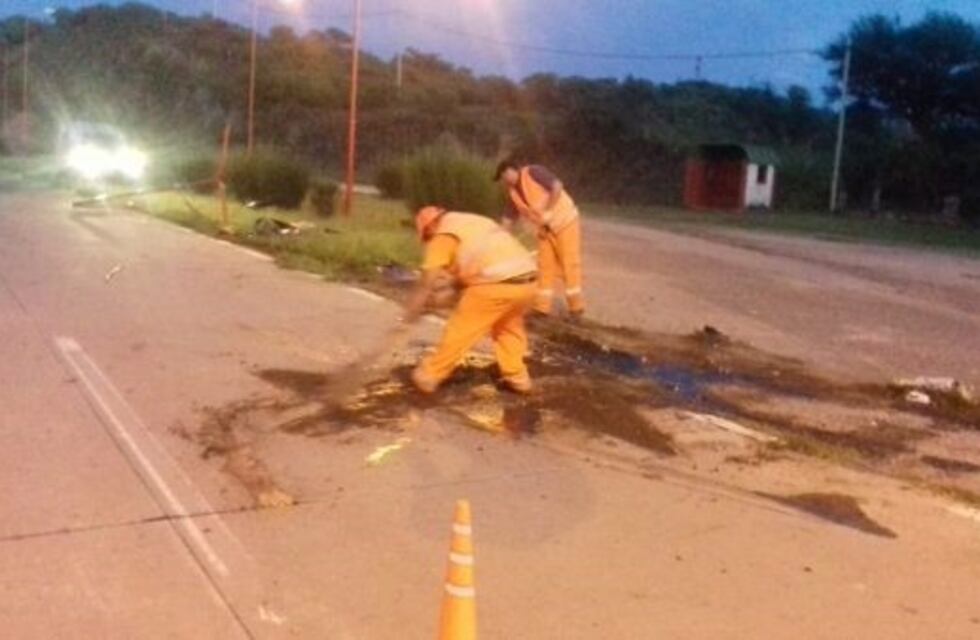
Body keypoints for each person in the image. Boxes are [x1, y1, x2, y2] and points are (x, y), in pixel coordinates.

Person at [404, 206, 538, 395]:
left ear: (429, 228)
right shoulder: (471, 222)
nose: (428, 242)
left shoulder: (442, 236)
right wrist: (444, 295)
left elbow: (426, 284)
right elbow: (475, 268)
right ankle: (518, 379)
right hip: (527, 281)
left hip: (495, 286)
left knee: (461, 329)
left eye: (427, 238)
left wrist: (411, 312)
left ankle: (429, 375)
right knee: (508, 328)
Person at [494, 160, 584, 317]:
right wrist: (498, 238)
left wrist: (548, 211)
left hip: (565, 222)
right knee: (544, 267)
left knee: (569, 263)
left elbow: (557, 186)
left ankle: (576, 309)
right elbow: (508, 220)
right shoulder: (513, 194)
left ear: (510, 170)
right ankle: (541, 308)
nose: (503, 181)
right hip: (545, 230)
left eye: (503, 176)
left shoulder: (533, 172)